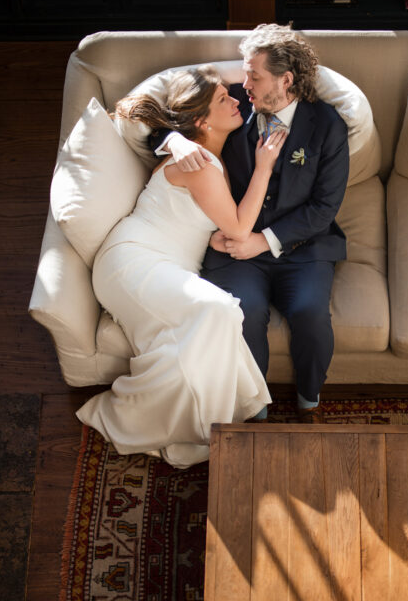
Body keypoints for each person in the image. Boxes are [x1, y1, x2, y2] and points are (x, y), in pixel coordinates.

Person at [76, 65, 287, 468]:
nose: (236, 99)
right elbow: (241, 227)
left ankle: (202, 424)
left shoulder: (202, 156)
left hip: (156, 262)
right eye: (223, 99)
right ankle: (127, 415)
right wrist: (264, 167)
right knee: (221, 309)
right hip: (133, 260)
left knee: (208, 329)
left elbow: (191, 217)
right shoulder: (202, 162)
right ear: (201, 120)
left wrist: (209, 236)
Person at [154, 24, 349, 422]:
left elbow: (324, 206)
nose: (244, 85)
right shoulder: (233, 111)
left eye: (254, 76)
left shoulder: (327, 126)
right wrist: (174, 140)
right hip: (235, 251)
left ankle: (309, 399)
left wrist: (263, 240)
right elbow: (161, 118)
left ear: (286, 79)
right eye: (244, 74)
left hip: (303, 248)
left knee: (311, 315)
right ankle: (254, 409)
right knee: (242, 313)